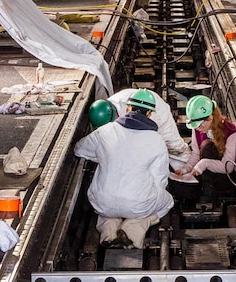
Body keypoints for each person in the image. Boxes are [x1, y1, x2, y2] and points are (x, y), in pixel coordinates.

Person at [75, 97, 173, 247]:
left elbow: (79, 149)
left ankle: (108, 235)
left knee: (106, 212)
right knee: (167, 201)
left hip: (103, 203)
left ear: (127, 109)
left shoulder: (105, 130)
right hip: (137, 205)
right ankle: (131, 232)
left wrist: (103, 156)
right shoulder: (157, 140)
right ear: (149, 114)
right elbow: (160, 180)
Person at [107, 86, 189, 164]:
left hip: (156, 110)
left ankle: (187, 162)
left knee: (175, 147)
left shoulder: (157, 115)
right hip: (142, 103)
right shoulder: (106, 106)